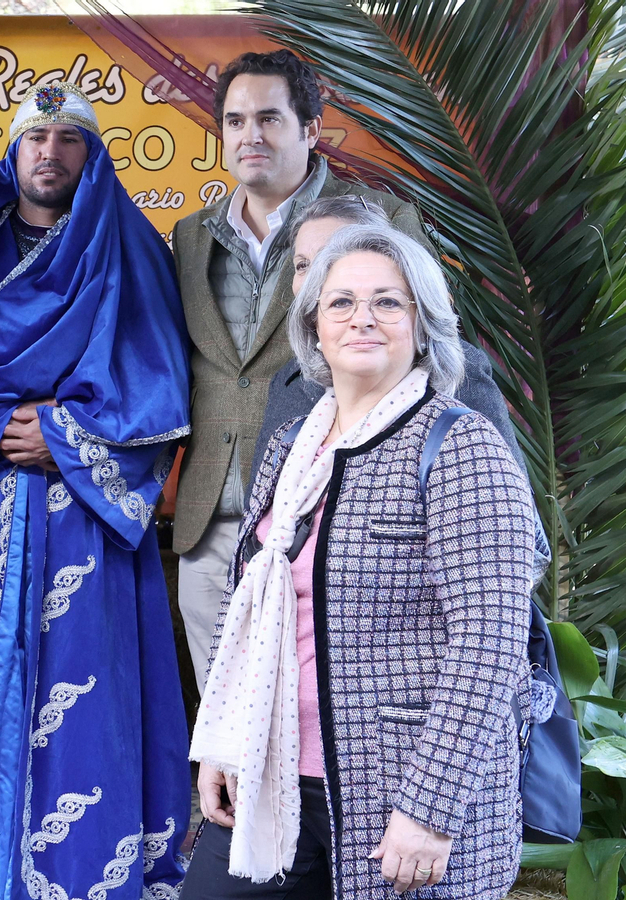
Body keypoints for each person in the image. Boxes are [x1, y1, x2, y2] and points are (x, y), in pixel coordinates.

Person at [0, 82, 191, 900]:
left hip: (82, 520)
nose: (48, 152)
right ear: (11, 153)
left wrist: (61, 437)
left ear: (93, 155)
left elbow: (159, 394)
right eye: (34, 138)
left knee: (87, 706)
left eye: (68, 138)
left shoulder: (130, 251)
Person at [184, 224, 536, 899]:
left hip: (398, 797)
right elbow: (246, 607)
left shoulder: (462, 446)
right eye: (341, 302)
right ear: (313, 325)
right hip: (273, 773)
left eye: (387, 302)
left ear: (424, 323)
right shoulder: (293, 442)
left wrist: (430, 810)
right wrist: (222, 744)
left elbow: (490, 645)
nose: (362, 319)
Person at [170, 49, 433, 694]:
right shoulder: (191, 236)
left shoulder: (376, 221)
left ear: (311, 131)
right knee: (227, 727)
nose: (249, 137)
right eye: (234, 121)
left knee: (320, 727)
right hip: (212, 521)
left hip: (328, 517)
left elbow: (422, 353)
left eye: (269, 118)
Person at [252, 196, 526, 483]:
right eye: (303, 265)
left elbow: (505, 497)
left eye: (332, 257)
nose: (316, 278)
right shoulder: (288, 379)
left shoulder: (456, 368)